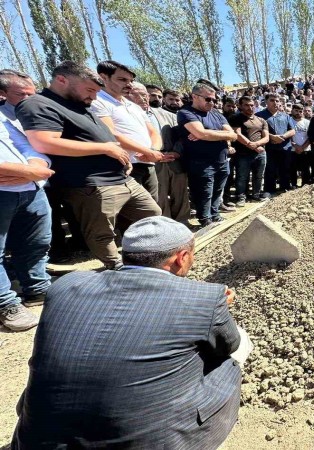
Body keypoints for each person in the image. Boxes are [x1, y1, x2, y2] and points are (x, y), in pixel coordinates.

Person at [12, 216, 250, 449]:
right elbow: (229, 344)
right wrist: (215, 312)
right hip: (146, 443)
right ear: (182, 257)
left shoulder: (66, 284)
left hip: (36, 441)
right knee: (233, 354)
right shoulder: (205, 297)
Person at [16, 60, 161, 270]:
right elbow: (45, 142)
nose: (93, 97)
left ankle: (145, 260)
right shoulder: (39, 104)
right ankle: (116, 270)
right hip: (92, 183)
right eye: (90, 90)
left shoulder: (79, 104)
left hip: (121, 177)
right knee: (102, 233)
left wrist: (119, 158)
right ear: (62, 80)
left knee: (151, 214)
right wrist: (106, 149)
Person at [0, 69, 53, 331]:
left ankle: (37, 288)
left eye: (32, 93)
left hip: (32, 190)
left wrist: (34, 169)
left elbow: (31, 148)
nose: (30, 99)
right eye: (22, 94)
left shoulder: (12, 117)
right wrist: (24, 171)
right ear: (2, 93)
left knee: (36, 243)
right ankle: (6, 304)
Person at [90, 61, 164, 202]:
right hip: (125, 166)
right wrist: (147, 152)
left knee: (153, 209)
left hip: (148, 164)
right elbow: (111, 134)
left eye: (131, 81)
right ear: (103, 77)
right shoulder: (97, 102)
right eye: (122, 79)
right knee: (133, 210)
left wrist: (153, 151)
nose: (129, 84)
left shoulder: (134, 106)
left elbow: (153, 132)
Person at [177, 83, 237, 227]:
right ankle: (205, 220)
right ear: (194, 97)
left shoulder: (216, 113)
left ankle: (215, 215)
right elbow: (202, 133)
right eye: (208, 99)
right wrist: (205, 134)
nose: (212, 103)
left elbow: (233, 135)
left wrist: (206, 133)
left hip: (222, 160)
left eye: (214, 100)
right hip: (201, 162)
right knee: (204, 193)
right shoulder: (186, 113)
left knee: (217, 191)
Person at [146, 86, 191, 225]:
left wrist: (177, 152)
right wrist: (153, 154)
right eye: (152, 95)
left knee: (180, 193)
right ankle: (165, 224)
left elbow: (182, 137)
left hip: (174, 159)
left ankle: (182, 222)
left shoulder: (171, 115)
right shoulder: (134, 114)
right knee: (159, 195)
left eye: (159, 96)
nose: (156, 99)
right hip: (152, 160)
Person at [229, 96, 269, 205]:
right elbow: (237, 134)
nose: (250, 107)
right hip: (243, 153)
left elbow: (266, 137)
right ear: (240, 106)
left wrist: (256, 145)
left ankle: (256, 194)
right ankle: (241, 197)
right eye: (246, 105)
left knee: (259, 176)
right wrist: (252, 146)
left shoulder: (261, 120)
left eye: (251, 105)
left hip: (260, 153)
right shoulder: (236, 118)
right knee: (242, 176)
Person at [256, 93, 295, 194]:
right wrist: (272, 137)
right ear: (266, 102)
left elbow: (292, 130)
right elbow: (257, 131)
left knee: (285, 169)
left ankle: (284, 188)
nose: (275, 103)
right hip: (269, 148)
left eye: (277, 101)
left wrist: (282, 137)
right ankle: (269, 190)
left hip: (285, 147)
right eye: (272, 100)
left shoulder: (285, 116)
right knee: (270, 169)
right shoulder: (259, 116)